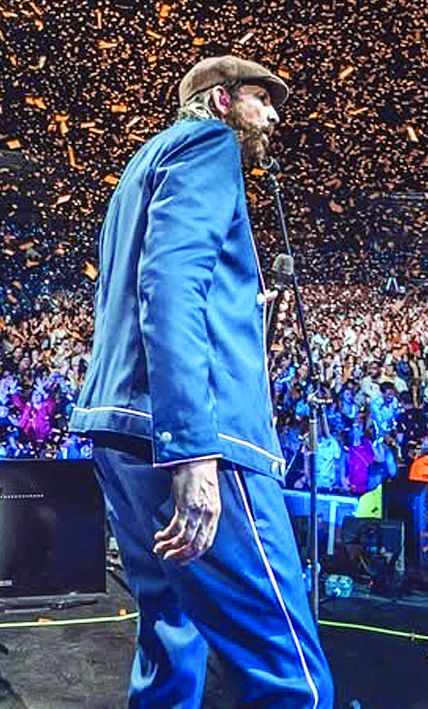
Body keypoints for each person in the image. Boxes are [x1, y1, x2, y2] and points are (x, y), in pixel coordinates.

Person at [68, 56, 332, 708]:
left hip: (118, 428)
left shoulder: (140, 165)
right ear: (220, 102)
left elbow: (145, 284)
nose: (273, 114)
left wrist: (241, 308)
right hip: (190, 436)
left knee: (170, 641)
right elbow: (171, 284)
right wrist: (192, 449)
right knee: (289, 673)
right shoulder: (209, 145)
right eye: (261, 99)